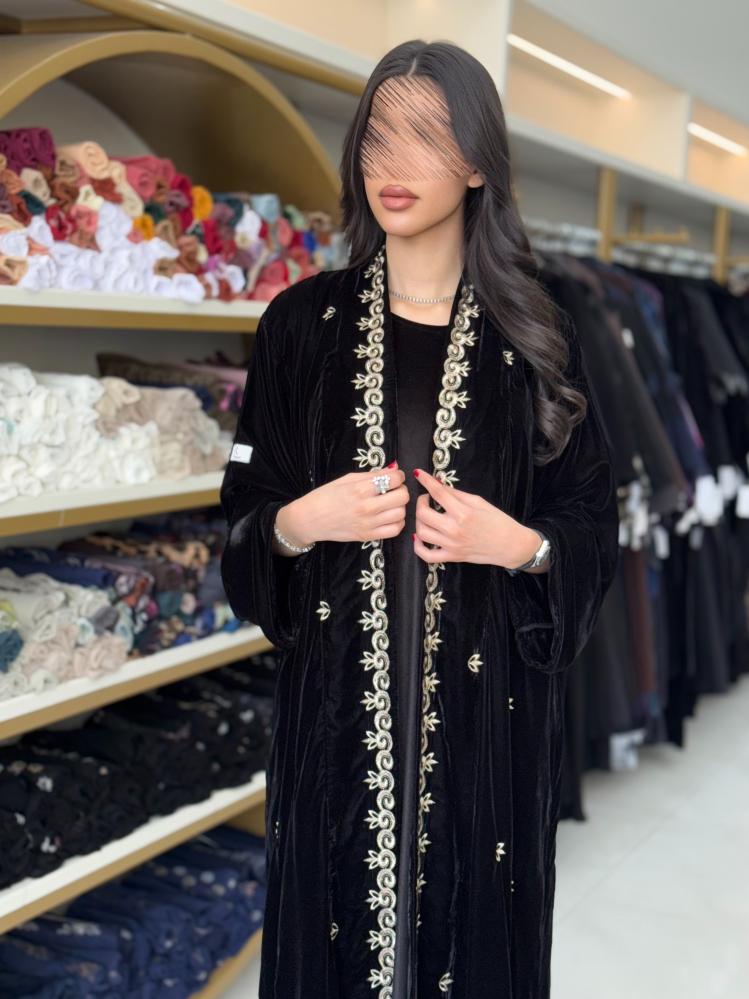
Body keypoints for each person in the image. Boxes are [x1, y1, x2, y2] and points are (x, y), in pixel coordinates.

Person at [220, 38, 619, 999]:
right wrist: (300, 520)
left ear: (477, 162)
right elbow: (241, 520)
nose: (391, 164)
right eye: (376, 136)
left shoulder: (537, 334)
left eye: (427, 137)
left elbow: (592, 518)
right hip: (333, 718)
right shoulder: (299, 325)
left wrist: (518, 545)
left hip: (488, 727)